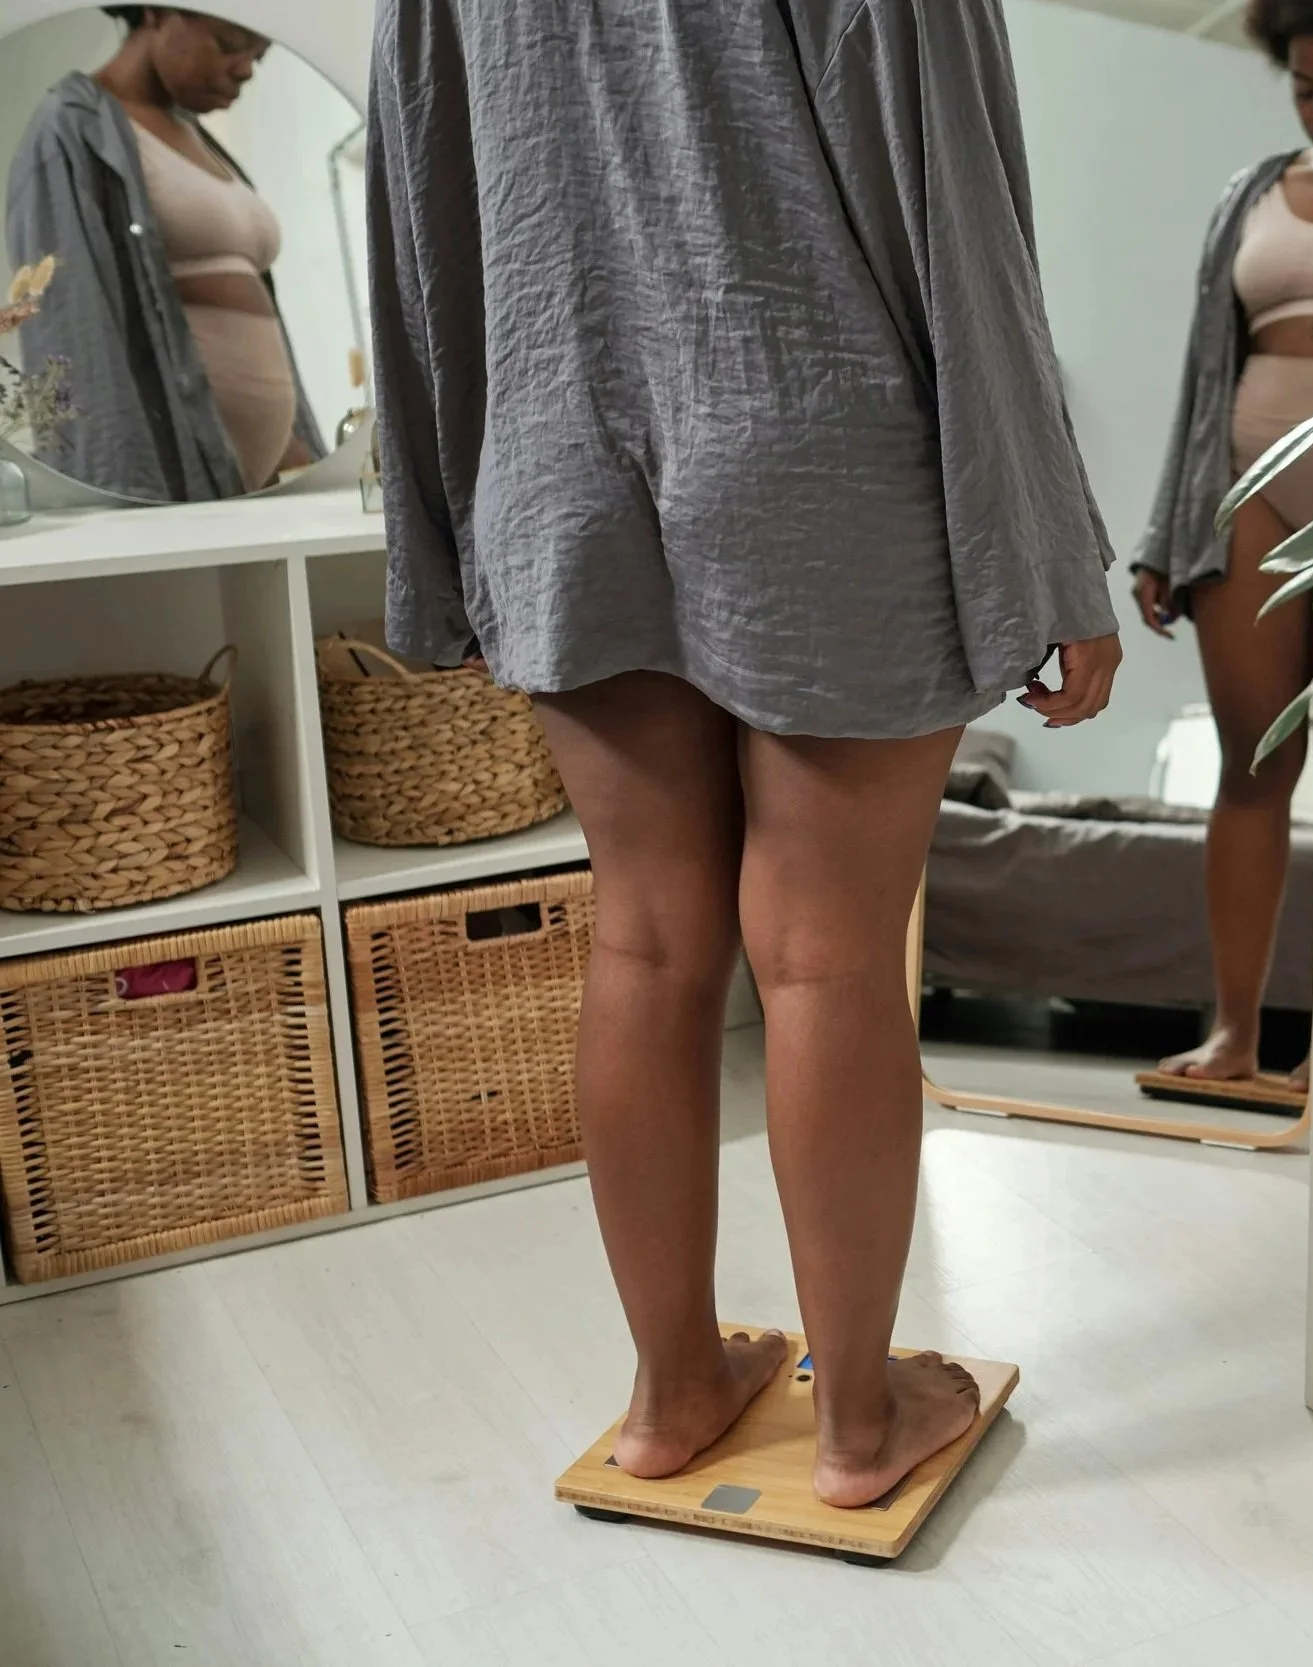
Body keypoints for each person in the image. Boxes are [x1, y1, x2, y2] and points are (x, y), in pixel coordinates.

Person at [366, 0, 1122, 1504]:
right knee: (826, 956)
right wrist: (1047, 553)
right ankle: (858, 1422)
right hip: (818, 439)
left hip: (555, 451)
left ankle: (670, 1395)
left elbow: (423, 219)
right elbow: (951, 206)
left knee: (643, 940)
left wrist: (441, 542)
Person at [1131, 0, 1313, 1091]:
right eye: (1305, 89)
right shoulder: (1251, 194)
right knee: (1255, 762)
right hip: (1247, 491)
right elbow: (1202, 373)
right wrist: (1163, 534)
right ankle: (1234, 1035)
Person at [5, 6, 323, 500]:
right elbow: (73, 335)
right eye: (229, 43)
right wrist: (120, 497)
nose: (245, 70)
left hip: (267, 473)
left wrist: (292, 436)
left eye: (258, 57)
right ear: (157, 12)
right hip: (170, 480)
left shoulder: (197, 136)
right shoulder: (70, 129)